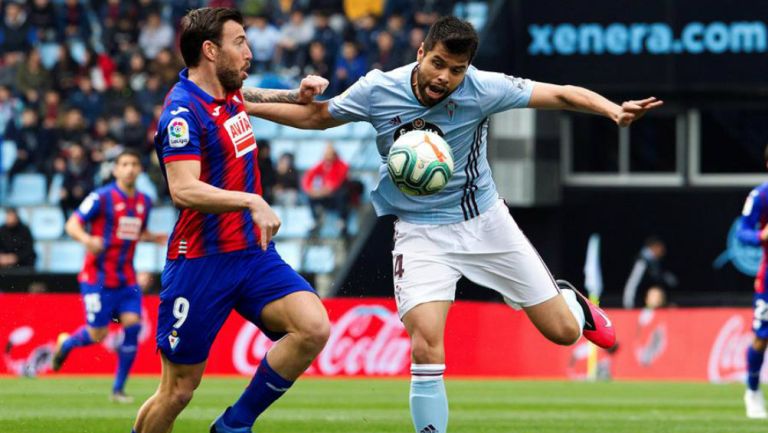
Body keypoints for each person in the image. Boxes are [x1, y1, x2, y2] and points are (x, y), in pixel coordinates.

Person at [245, 16, 663, 433]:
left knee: (563, 333)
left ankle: (571, 302)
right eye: (439, 64)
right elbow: (317, 117)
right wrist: (240, 105)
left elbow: (560, 94)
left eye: (456, 70)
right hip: (418, 230)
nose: (444, 78)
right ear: (421, 53)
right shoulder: (379, 89)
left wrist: (612, 110)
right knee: (426, 344)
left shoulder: (483, 89)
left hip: (484, 222)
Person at [130, 8, 330, 433]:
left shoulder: (229, 92)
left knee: (312, 327)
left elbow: (255, 97)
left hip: (251, 255)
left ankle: (234, 425)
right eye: (239, 42)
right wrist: (250, 201)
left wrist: (296, 94)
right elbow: (183, 189)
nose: (249, 52)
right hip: (200, 261)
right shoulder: (182, 113)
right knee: (179, 390)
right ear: (209, 50)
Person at [51, 150, 166, 403]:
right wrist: (86, 239)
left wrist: (152, 237)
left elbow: (134, 231)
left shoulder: (144, 202)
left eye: (135, 164)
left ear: (140, 170)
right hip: (97, 278)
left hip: (126, 279)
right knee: (97, 334)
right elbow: (72, 224)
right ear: (115, 170)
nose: (130, 168)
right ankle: (66, 344)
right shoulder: (101, 197)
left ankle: (118, 389)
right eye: (125, 164)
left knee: (133, 326)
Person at [737, 148, 768, 419]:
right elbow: (741, 232)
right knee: (762, 337)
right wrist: (761, 235)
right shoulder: (761, 195)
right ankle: (753, 390)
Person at [301, 142, 350, 236]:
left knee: (342, 194)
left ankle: (342, 221)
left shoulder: (342, 165)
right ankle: (315, 220)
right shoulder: (322, 165)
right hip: (326, 195)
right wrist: (310, 189)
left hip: (337, 198)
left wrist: (323, 191)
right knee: (310, 197)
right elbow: (308, 176)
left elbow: (336, 183)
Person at [622, 236, 678, 309]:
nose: (663, 252)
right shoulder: (641, 261)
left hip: (648, 304)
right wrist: (629, 305)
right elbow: (632, 284)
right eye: (661, 248)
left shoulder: (654, 262)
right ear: (655, 247)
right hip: (637, 306)